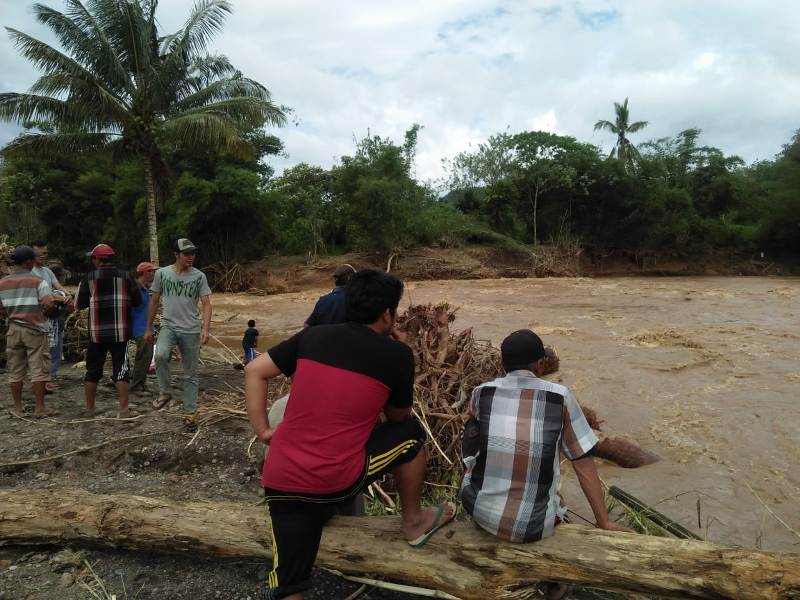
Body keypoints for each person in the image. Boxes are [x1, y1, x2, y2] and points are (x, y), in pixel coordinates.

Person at [245, 269, 455, 600]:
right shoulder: (396, 354)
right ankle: (414, 522)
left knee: (289, 582)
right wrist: (403, 358)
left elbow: (255, 370)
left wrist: (263, 430)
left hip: (280, 479)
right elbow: (398, 417)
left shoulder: (312, 337)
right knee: (411, 433)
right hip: (334, 480)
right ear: (387, 314)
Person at [460, 329, 634, 600]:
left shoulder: (481, 393)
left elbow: (472, 445)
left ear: (502, 364)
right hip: (533, 528)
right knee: (557, 496)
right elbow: (581, 460)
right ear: (540, 364)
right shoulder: (559, 396)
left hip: (479, 513)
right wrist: (603, 521)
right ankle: (554, 586)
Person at [145, 239, 212, 413]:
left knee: (190, 374)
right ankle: (165, 392)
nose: (191, 257)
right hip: (169, 326)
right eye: (186, 254)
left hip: (191, 330)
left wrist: (205, 329)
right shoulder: (163, 274)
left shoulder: (199, 276)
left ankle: (190, 411)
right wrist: (148, 328)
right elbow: (154, 301)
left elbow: (206, 304)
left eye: (193, 253)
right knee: (160, 355)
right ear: (176, 255)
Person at [76, 244, 141, 417]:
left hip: (97, 334)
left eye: (93, 258)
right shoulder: (126, 276)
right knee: (121, 370)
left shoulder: (88, 278)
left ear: (97, 260)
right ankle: (124, 410)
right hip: (120, 332)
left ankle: (90, 409)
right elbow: (137, 300)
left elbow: (79, 304)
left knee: (93, 371)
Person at [0, 245, 55, 417]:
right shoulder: (38, 282)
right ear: (29, 262)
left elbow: (1, 308)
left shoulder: (2, 283)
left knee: (15, 371)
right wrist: (42, 315)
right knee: (38, 368)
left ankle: (18, 409)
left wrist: (12, 313)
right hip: (35, 329)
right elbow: (49, 304)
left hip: (14, 330)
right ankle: (39, 408)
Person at [31, 240, 72, 391]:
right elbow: (44, 296)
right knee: (43, 350)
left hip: (54, 315)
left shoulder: (47, 271)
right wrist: (61, 298)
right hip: (40, 316)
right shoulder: (31, 273)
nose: (43, 256)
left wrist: (67, 294)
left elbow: (58, 286)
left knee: (56, 347)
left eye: (45, 253)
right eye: (39, 254)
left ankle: (51, 377)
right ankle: (43, 380)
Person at [130, 261, 158, 394]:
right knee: (143, 357)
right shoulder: (135, 289)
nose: (153, 274)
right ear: (143, 273)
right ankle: (136, 385)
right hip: (140, 328)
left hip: (146, 327)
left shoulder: (145, 289)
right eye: (151, 271)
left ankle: (141, 383)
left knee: (147, 357)